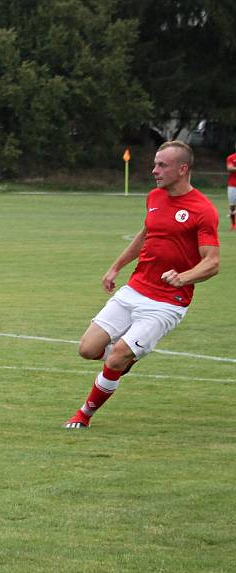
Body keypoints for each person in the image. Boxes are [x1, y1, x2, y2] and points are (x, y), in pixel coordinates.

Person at [64, 141, 220, 429]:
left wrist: (183, 277)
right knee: (87, 349)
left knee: (117, 357)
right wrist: (115, 267)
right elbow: (145, 234)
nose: (154, 170)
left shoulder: (203, 209)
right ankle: (124, 358)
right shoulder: (154, 197)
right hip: (135, 289)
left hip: (167, 303)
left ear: (182, 169)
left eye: (162, 165)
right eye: (155, 164)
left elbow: (212, 262)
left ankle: (83, 414)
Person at [225, 143, 236, 230]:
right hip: (233, 185)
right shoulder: (231, 157)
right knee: (232, 206)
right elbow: (229, 168)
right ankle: (233, 224)